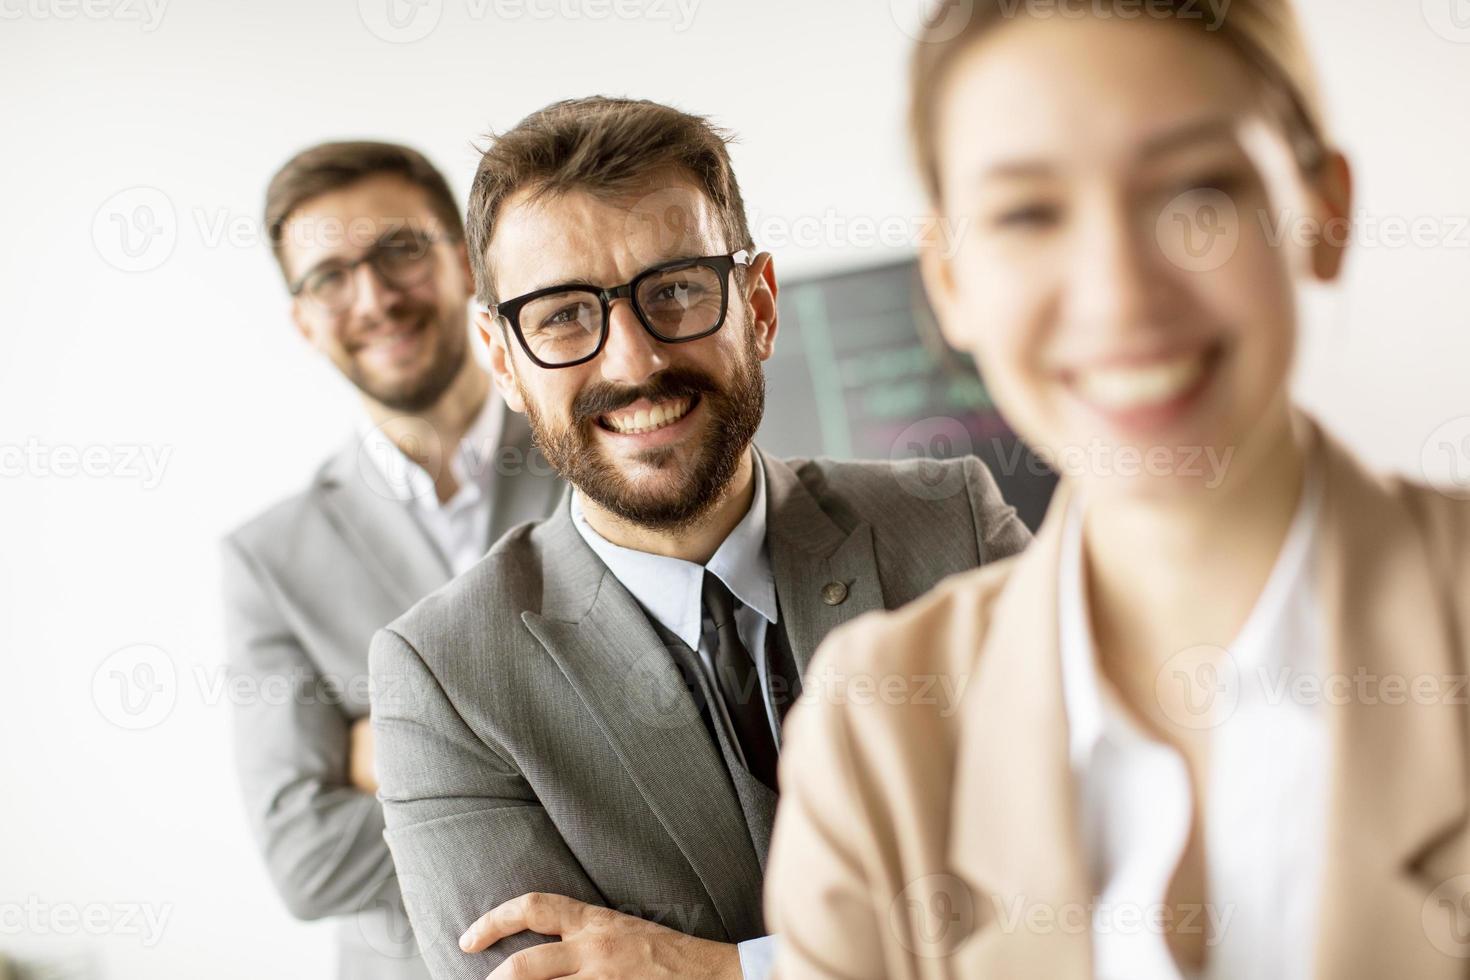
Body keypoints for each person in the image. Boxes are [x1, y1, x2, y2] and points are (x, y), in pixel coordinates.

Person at [765, 2, 1470, 978]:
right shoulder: (872, 740)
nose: (1119, 294)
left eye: (1197, 193)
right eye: (1027, 213)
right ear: (951, 279)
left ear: (1324, 210)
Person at [367, 96, 1032, 980]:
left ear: (757, 305)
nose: (634, 362)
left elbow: (1091, 887)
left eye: (676, 290)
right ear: (502, 359)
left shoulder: (954, 526)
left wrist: (728, 970)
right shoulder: (444, 675)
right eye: (564, 315)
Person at [221, 141, 562, 980]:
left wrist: (408, 754)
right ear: (302, 318)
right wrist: (566, 748)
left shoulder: (596, 453)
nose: (373, 297)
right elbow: (305, 862)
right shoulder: (267, 561)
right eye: (329, 276)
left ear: (465, 261)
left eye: (398, 251)